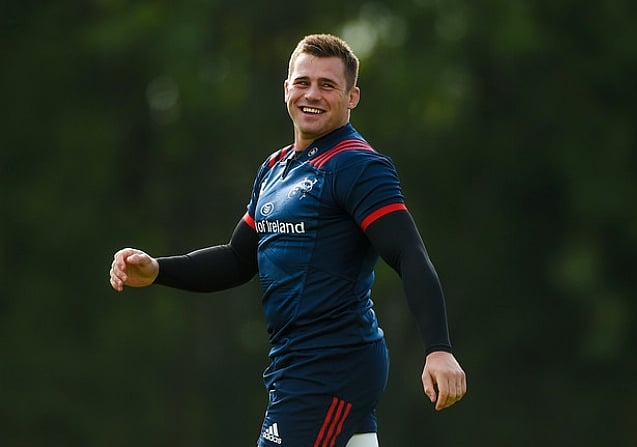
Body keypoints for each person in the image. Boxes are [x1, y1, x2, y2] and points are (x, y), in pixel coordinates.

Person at [108, 33, 466, 447]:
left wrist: (438, 348)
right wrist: (157, 270)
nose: (312, 94)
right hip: (298, 367)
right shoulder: (276, 167)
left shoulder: (357, 166)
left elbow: (408, 253)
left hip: (329, 367)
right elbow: (237, 259)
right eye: (303, 82)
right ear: (286, 90)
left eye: (327, 85)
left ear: (352, 97)